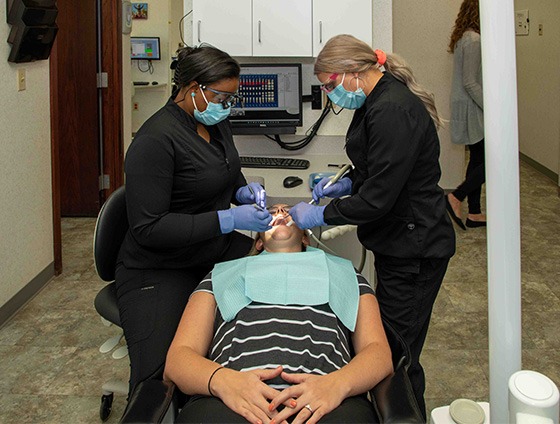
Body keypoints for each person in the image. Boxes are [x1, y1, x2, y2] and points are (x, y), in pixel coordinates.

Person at [288, 34, 456, 418]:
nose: (330, 95)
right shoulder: (376, 100)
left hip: (415, 247)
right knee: (391, 341)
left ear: (353, 73)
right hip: (399, 241)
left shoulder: (392, 109)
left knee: (397, 354)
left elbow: (380, 197)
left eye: (330, 85)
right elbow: (381, 168)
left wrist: (321, 214)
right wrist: (348, 182)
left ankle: (404, 415)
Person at [115, 44, 272, 394]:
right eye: (221, 97)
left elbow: (227, 173)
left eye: (232, 98)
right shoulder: (155, 140)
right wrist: (226, 220)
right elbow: (149, 228)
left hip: (210, 249)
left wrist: (244, 192)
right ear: (192, 89)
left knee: (267, 306)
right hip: (159, 267)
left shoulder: (214, 123)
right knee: (162, 374)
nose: (227, 106)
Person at [164, 205, 393, 424]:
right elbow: (178, 359)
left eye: (291, 212)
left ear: (305, 237)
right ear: (259, 242)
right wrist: (223, 381)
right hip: (231, 399)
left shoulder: (346, 274)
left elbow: (379, 353)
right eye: (271, 213)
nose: (281, 213)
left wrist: (337, 384)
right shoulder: (221, 275)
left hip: (326, 399)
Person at [446, 0, 486, 230]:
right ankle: (456, 196)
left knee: (478, 159)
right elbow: (470, 82)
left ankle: (475, 213)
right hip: (473, 107)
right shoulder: (473, 40)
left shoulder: (466, 37)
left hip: (468, 105)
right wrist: (491, 107)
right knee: (488, 161)